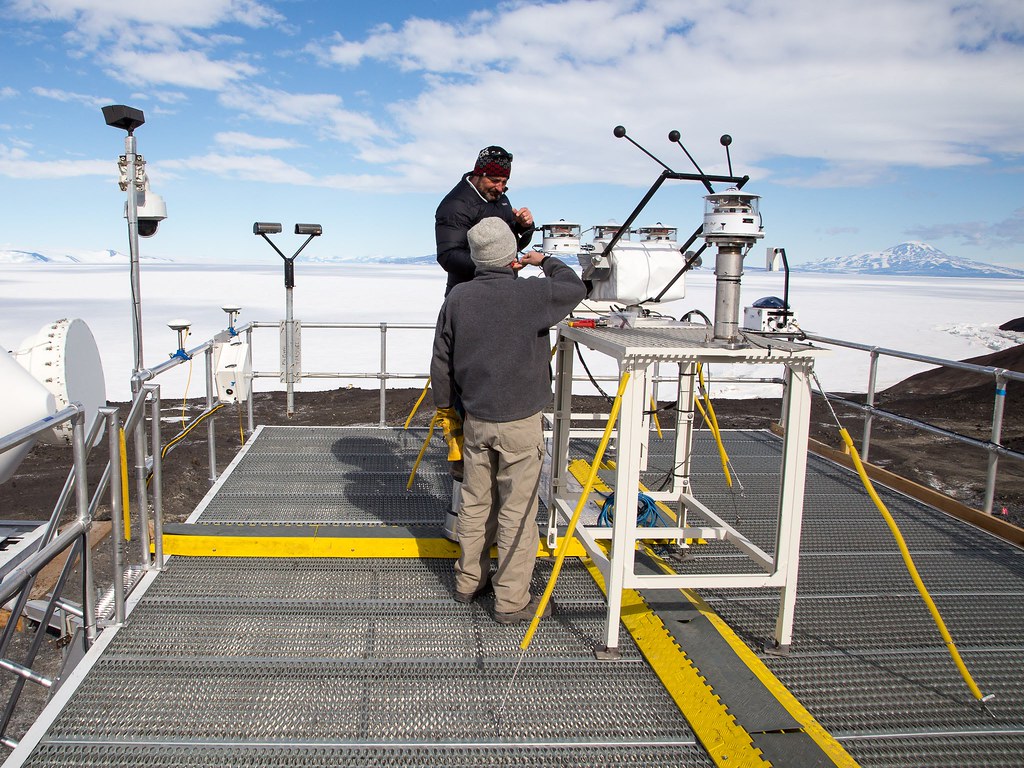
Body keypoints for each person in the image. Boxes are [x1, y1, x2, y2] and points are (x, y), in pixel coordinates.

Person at [431, 217, 586, 624]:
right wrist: (545, 260)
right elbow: (575, 287)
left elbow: (441, 364)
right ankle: (511, 602)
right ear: (510, 258)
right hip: (520, 423)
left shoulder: (458, 299)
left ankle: (468, 582)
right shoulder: (530, 296)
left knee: (475, 503)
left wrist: (450, 416)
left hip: (476, 421)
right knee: (517, 512)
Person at [435, 145, 535, 296]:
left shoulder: (499, 197)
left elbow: (511, 245)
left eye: (504, 182)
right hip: (469, 296)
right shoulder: (456, 205)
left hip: (504, 290)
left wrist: (523, 226)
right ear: (479, 174)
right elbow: (448, 256)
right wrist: (499, 266)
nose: (500, 188)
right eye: (495, 181)